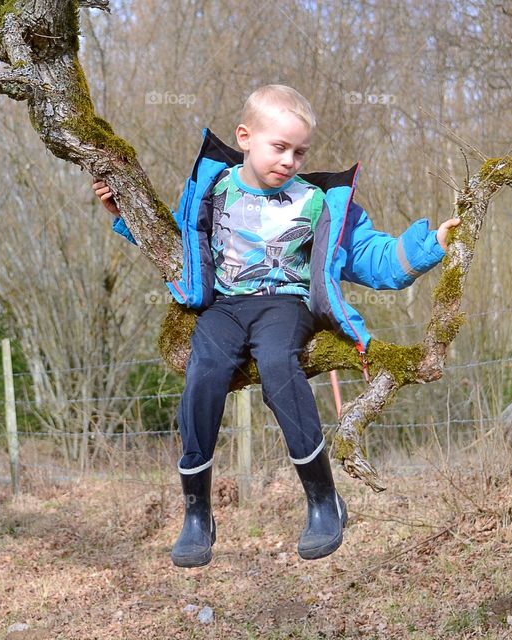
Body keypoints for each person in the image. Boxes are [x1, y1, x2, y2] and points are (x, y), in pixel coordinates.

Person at [92, 85, 459, 568]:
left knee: (278, 362)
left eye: (299, 151)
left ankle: (323, 500)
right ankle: (197, 514)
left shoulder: (316, 201)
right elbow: (176, 242)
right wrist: (123, 215)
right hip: (224, 306)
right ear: (245, 137)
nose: (289, 160)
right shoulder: (212, 188)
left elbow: (373, 258)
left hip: (286, 304)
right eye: (278, 147)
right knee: (203, 372)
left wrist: (430, 244)